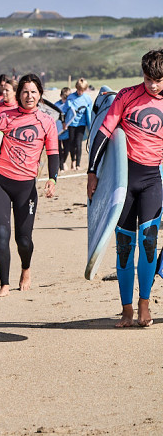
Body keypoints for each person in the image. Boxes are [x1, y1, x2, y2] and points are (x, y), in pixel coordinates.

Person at [87, 49, 163, 327]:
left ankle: (144, 303)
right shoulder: (126, 96)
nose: (152, 85)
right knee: (124, 246)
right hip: (123, 179)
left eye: (158, 80)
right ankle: (127, 309)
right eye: (148, 78)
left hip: (152, 178)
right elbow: (104, 133)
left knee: (149, 241)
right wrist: (92, 172)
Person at [0, 74, 58, 297]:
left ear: (40, 95)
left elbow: (53, 152)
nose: (29, 96)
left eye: (34, 92)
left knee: (23, 239)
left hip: (26, 186)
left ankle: (25, 269)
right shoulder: (4, 116)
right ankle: (4, 283)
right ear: (19, 95)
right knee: (1, 232)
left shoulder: (46, 121)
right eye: (25, 92)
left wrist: (52, 178)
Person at [64, 78, 92, 171]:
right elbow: (65, 110)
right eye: (79, 90)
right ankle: (73, 160)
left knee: (78, 143)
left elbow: (90, 113)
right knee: (71, 142)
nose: (80, 92)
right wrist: (64, 122)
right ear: (76, 88)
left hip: (81, 124)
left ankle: (78, 164)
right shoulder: (71, 97)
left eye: (82, 90)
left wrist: (90, 125)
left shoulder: (87, 99)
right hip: (71, 123)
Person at [55, 88, 71, 171]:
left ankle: (63, 162)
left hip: (67, 131)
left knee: (66, 149)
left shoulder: (70, 105)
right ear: (60, 96)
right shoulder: (56, 105)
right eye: (64, 98)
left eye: (67, 98)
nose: (65, 100)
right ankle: (61, 166)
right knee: (58, 150)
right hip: (57, 131)